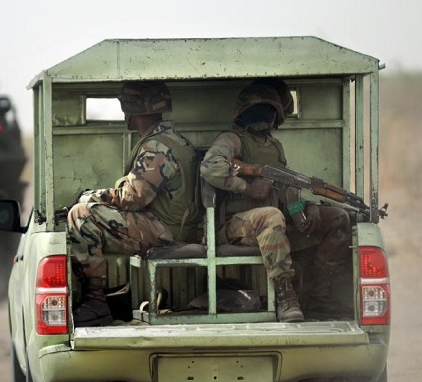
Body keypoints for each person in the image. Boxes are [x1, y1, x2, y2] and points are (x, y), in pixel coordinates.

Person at [200, 79, 353, 322]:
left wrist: (307, 206)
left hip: (274, 225)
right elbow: (209, 167)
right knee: (272, 215)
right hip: (235, 227)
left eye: (269, 110)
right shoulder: (232, 139)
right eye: (257, 110)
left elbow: (283, 190)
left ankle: (321, 299)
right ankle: (285, 296)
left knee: (337, 218)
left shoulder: (275, 147)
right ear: (243, 114)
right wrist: (248, 187)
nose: (263, 116)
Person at [67, 81, 202, 327]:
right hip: (174, 225)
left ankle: (96, 303)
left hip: (166, 231)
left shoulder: (157, 146)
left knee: (81, 215)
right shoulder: (172, 140)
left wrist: (91, 196)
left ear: (135, 109)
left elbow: (134, 196)